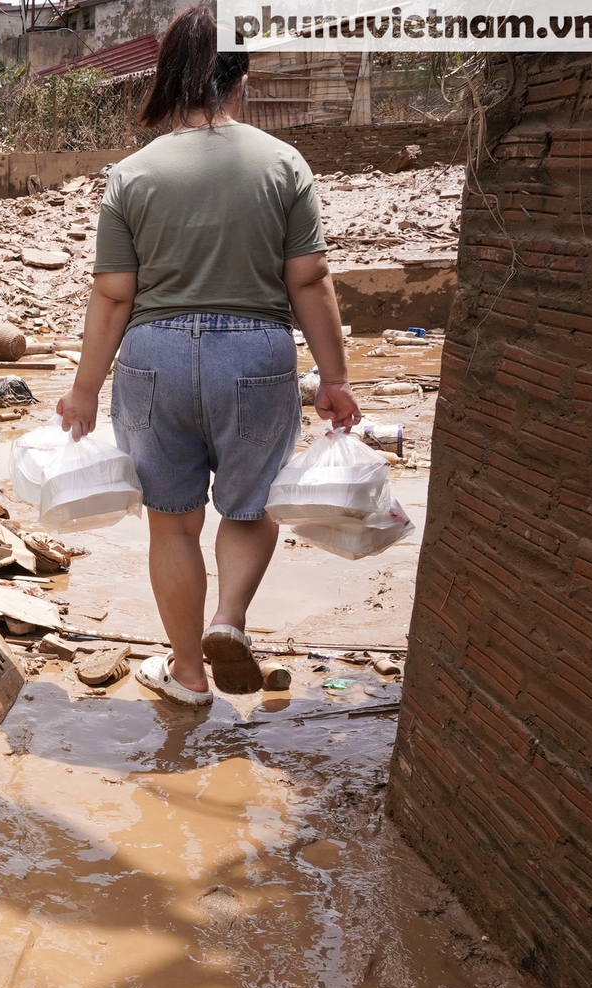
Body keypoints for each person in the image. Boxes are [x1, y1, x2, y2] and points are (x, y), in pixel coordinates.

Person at [56, 7, 359, 705]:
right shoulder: (282, 164)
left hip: (153, 358)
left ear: (169, 79)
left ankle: (188, 673)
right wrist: (335, 378)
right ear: (240, 77)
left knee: (173, 519)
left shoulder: (132, 174)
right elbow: (309, 279)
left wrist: (83, 389)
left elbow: (111, 296)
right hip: (255, 355)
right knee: (250, 510)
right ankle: (229, 620)